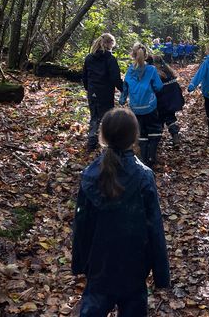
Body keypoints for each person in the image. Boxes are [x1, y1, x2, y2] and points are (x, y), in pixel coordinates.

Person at [72, 108, 170, 316]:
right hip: (133, 264)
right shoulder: (144, 176)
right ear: (135, 137)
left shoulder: (90, 175)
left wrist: (80, 262)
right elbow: (155, 227)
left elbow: (81, 224)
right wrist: (161, 273)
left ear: (103, 136)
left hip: (99, 264)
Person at [120, 42, 163, 166]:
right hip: (149, 106)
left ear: (132, 55)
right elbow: (158, 87)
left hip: (135, 108)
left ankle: (144, 158)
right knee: (155, 130)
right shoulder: (151, 69)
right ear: (146, 56)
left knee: (141, 132)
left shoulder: (130, 70)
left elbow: (125, 88)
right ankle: (151, 157)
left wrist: (122, 100)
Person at [82, 33, 123, 152]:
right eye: (112, 44)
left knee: (94, 116)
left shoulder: (89, 57)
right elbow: (115, 77)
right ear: (109, 44)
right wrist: (123, 89)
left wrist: (88, 88)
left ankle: (91, 141)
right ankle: (108, 142)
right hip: (105, 93)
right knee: (107, 117)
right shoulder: (110, 59)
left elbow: (85, 76)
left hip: (93, 92)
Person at [151, 56, 184, 148]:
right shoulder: (169, 72)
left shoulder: (156, 74)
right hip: (172, 100)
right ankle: (175, 136)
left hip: (162, 101)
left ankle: (157, 140)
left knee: (160, 119)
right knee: (170, 118)